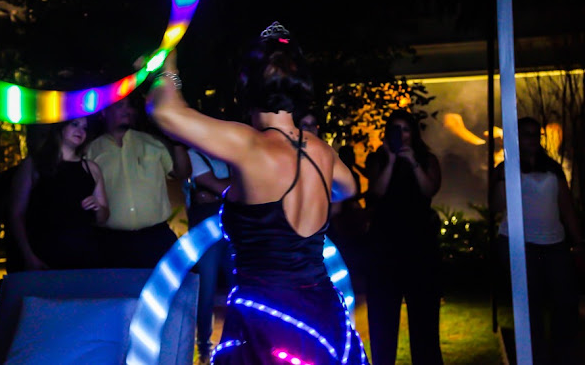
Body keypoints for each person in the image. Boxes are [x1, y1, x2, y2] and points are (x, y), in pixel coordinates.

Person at [146, 21, 368, 364]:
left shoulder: (249, 145)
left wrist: (167, 62)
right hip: (325, 316)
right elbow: (347, 188)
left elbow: (163, 110)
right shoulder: (323, 153)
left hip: (267, 323)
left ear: (245, 87)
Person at [492, 117, 583, 365]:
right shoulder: (506, 169)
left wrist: (578, 241)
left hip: (554, 243)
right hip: (520, 244)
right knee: (529, 303)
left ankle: (561, 353)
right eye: (526, 135)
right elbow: (498, 205)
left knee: (565, 301)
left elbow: (566, 206)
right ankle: (535, 355)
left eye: (535, 135)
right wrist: (502, 176)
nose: (532, 140)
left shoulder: (552, 168)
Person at [364, 109, 443, 365]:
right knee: (383, 318)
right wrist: (389, 159)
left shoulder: (426, 158)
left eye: (406, 129)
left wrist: (413, 162)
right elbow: (376, 192)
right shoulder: (378, 159)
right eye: (396, 130)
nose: (402, 135)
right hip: (385, 247)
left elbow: (430, 188)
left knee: (424, 320)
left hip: (420, 247)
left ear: (414, 133)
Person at [86, 93, 190, 268]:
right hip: (111, 242)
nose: (128, 110)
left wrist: (177, 143)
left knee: (166, 290)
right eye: (120, 106)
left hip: (156, 238)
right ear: (104, 112)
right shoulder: (90, 151)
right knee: (120, 292)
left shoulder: (153, 143)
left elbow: (183, 172)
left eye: (129, 106)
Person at [9, 117, 110, 270]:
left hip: (84, 254)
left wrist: (98, 207)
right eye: (75, 124)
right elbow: (16, 214)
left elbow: (103, 217)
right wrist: (28, 256)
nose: (80, 131)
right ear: (61, 127)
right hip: (45, 253)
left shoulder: (91, 168)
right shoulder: (34, 164)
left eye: (84, 128)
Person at [184, 147, 234, 364]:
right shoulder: (194, 154)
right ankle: (204, 347)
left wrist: (220, 191)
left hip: (231, 224)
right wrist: (229, 188)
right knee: (206, 287)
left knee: (237, 284)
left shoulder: (226, 154)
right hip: (205, 227)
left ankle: (235, 340)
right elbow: (225, 186)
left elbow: (231, 187)